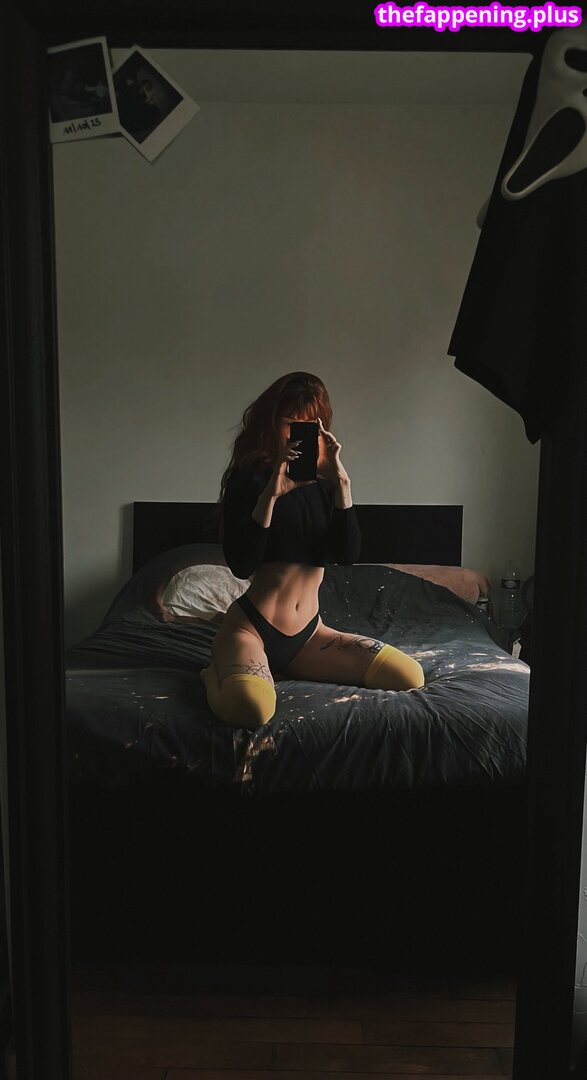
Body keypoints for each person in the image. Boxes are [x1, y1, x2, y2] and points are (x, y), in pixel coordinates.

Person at [200, 372, 424, 729]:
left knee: (408, 675)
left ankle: (273, 668)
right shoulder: (250, 479)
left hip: (308, 636)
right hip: (252, 630)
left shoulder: (325, 486)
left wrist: (342, 484)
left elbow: (347, 555)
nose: (297, 434)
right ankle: (214, 671)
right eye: (290, 422)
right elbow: (241, 564)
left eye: (308, 425)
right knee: (253, 709)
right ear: (272, 422)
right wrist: (271, 496)